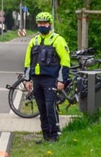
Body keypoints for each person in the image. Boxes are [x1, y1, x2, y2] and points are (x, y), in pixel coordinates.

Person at [22, 11, 71, 141]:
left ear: (49, 24)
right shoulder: (34, 41)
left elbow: (65, 61)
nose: (42, 25)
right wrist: (27, 80)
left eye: (44, 23)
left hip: (51, 79)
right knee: (42, 108)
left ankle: (55, 134)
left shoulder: (57, 40)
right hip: (37, 79)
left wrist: (62, 80)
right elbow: (28, 62)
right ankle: (46, 136)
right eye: (39, 23)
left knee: (50, 107)